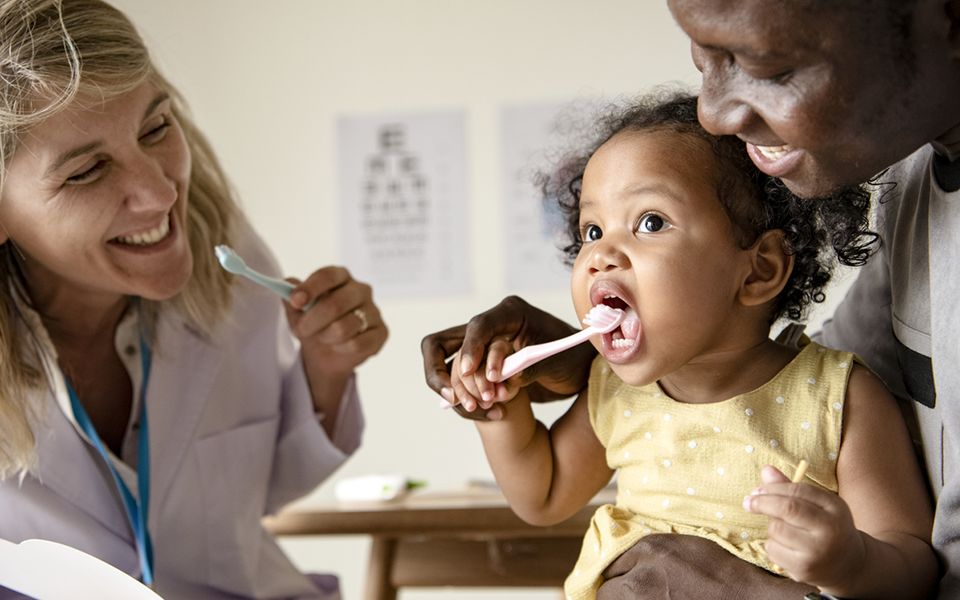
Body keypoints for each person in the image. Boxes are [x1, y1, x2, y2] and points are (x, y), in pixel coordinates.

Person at [422, 0, 960, 596]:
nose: (600, 255)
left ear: (757, 272)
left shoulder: (838, 399)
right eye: (592, 232)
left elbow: (912, 562)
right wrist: (502, 413)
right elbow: (544, 494)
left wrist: (850, 564)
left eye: (650, 222)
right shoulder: (616, 392)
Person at [0, 1, 387, 598]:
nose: (158, 194)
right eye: (87, 171)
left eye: (156, 129)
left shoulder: (232, 263)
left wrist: (326, 369)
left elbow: (258, 490)